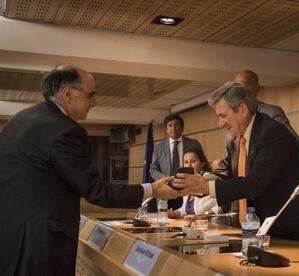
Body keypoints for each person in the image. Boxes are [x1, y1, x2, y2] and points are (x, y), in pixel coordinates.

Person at [0, 66, 179, 276]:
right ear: (67, 94)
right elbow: (96, 191)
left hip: (11, 240)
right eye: (91, 95)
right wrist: (152, 190)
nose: (94, 102)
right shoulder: (65, 131)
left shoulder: (17, 121)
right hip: (40, 248)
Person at [173, 82, 299, 242]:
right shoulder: (235, 141)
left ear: (243, 109)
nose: (220, 123)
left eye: (223, 116)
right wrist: (200, 183)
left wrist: (205, 186)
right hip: (271, 225)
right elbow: (227, 175)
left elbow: (254, 184)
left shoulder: (272, 133)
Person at [233, 70, 299, 151]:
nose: (237, 90)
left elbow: (297, 144)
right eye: (235, 86)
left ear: (256, 89)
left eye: (242, 85)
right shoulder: (231, 119)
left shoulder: (271, 113)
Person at [150, 114, 203, 210]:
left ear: (182, 128)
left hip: (189, 189)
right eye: (170, 125)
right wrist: (163, 177)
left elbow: (201, 163)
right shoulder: (159, 147)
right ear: (166, 129)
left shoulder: (194, 144)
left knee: (188, 215)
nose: (173, 128)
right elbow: (153, 169)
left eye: (176, 125)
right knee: (168, 219)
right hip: (167, 190)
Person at [168, 147, 220, 218]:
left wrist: (204, 215)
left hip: (212, 224)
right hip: (195, 224)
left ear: (202, 164)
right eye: (186, 162)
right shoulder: (187, 182)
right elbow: (186, 209)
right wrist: (176, 213)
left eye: (193, 161)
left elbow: (223, 206)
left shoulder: (210, 179)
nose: (189, 166)